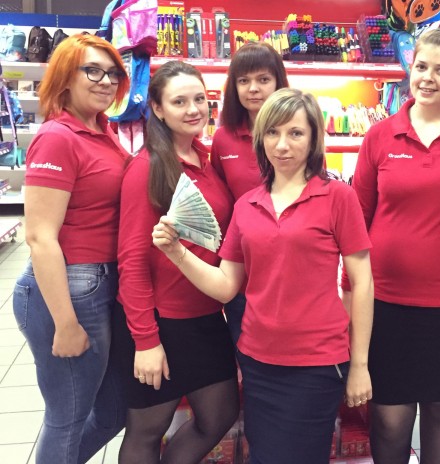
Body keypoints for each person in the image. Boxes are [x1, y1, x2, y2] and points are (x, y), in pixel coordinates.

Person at [153, 88, 374, 464]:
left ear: (314, 138)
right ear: (261, 138)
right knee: (264, 453)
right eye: (273, 132)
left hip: (317, 361)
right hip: (258, 359)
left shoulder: (338, 197)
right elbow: (226, 286)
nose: (282, 145)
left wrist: (360, 366)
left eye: (295, 133)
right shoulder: (247, 205)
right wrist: (177, 253)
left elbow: (362, 282)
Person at [344, 28, 440, 464]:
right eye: (422, 66)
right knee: (389, 414)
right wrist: (349, 289)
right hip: (384, 300)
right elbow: (358, 217)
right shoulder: (380, 136)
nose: (428, 78)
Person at [113, 60, 239, 464]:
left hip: (205, 316)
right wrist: (146, 341)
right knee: (147, 431)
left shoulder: (205, 159)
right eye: (179, 101)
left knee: (219, 415)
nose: (193, 109)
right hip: (160, 321)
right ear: (158, 108)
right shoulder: (147, 167)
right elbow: (132, 260)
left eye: (199, 99)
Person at [12, 34, 130, 464]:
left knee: (113, 410)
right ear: (65, 76)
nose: (105, 81)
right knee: (67, 417)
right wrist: (65, 323)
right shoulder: (57, 137)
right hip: (70, 288)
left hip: (101, 282)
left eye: (112, 73)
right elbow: (40, 237)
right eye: (92, 71)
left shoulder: (102, 129)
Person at [210, 41, 289, 343]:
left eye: (263, 79)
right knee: (247, 354)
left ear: (278, 82)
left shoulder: (299, 131)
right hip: (241, 271)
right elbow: (222, 202)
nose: (253, 89)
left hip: (290, 266)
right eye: (243, 80)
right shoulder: (223, 139)